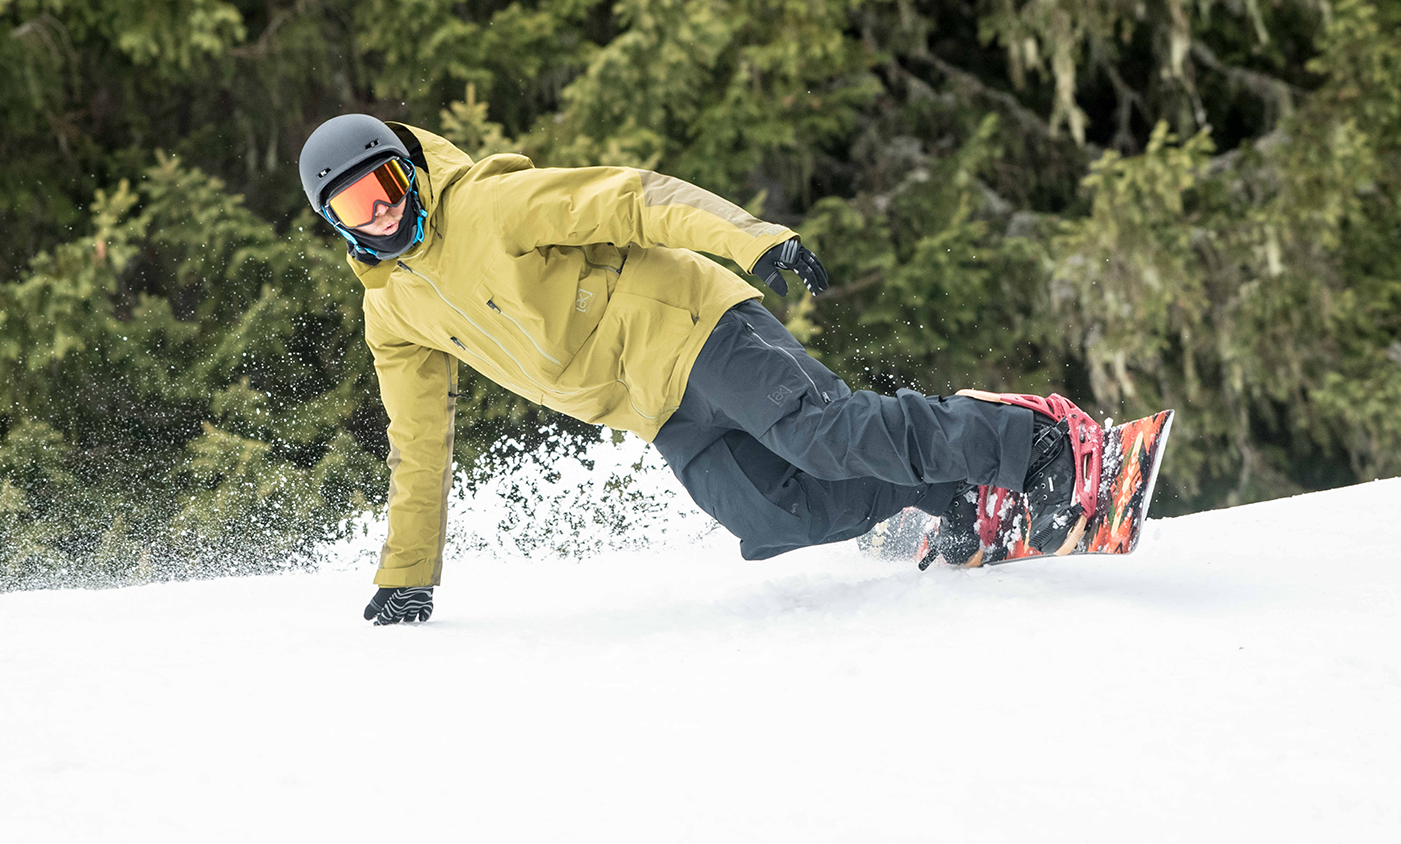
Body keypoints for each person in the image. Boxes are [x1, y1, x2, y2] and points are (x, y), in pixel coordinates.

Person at [297, 114, 1102, 625]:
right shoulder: (393, 312)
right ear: (335, 225)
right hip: (656, 409)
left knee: (819, 434)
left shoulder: (493, 204)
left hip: (692, 326)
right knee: (775, 516)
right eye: (356, 207)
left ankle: (1032, 442)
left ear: (411, 172)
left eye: (389, 187)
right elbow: (418, 440)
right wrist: (409, 575)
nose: (384, 213)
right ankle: (953, 488)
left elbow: (635, 198)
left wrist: (754, 239)